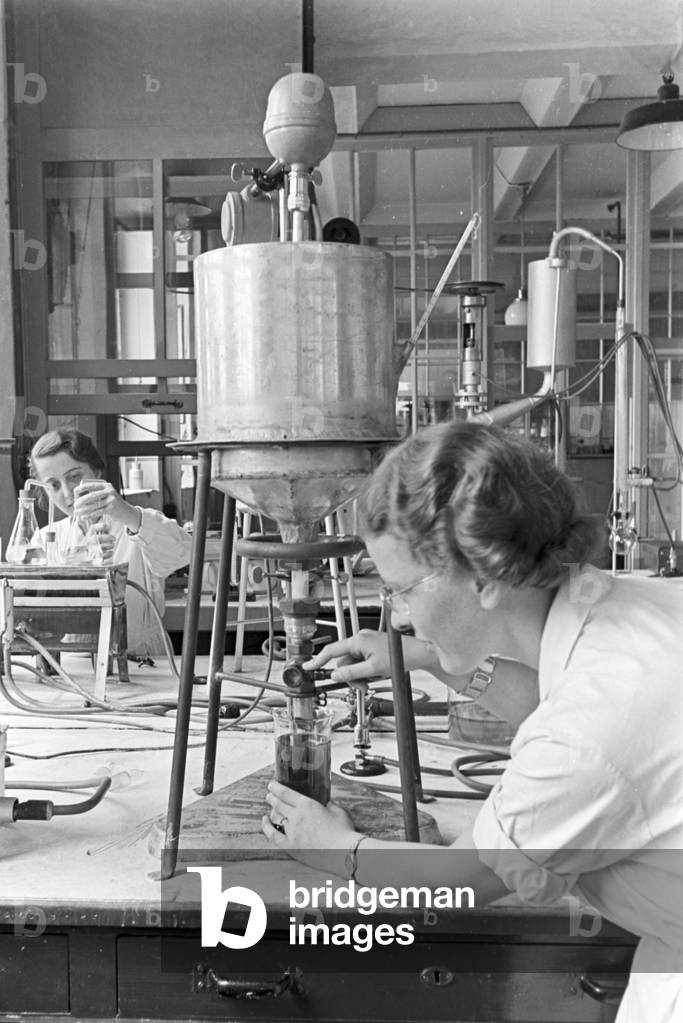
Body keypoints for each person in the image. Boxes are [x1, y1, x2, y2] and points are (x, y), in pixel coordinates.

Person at [262, 421, 683, 1023]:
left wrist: (334, 847)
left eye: (401, 591)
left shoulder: (586, 733)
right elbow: (557, 703)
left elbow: (463, 879)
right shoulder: (627, 608)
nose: (399, 616)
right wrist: (432, 658)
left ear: (484, 577)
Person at [29, 428, 193, 658]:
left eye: (74, 476)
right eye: (54, 485)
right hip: (72, 664)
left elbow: (183, 553)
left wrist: (126, 514)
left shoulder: (137, 523)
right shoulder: (45, 539)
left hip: (141, 661)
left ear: (96, 470)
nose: (67, 493)